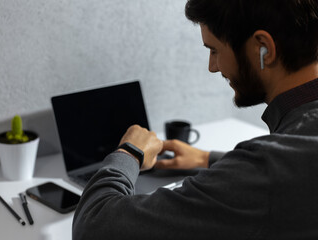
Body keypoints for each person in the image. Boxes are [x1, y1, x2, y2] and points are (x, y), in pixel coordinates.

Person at [73, 0, 318, 239]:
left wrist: (129, 152)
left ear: (262, 47)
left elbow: (93, 226)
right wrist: (206, 159)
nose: (212, 66)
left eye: (214, 50)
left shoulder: (268, 172)